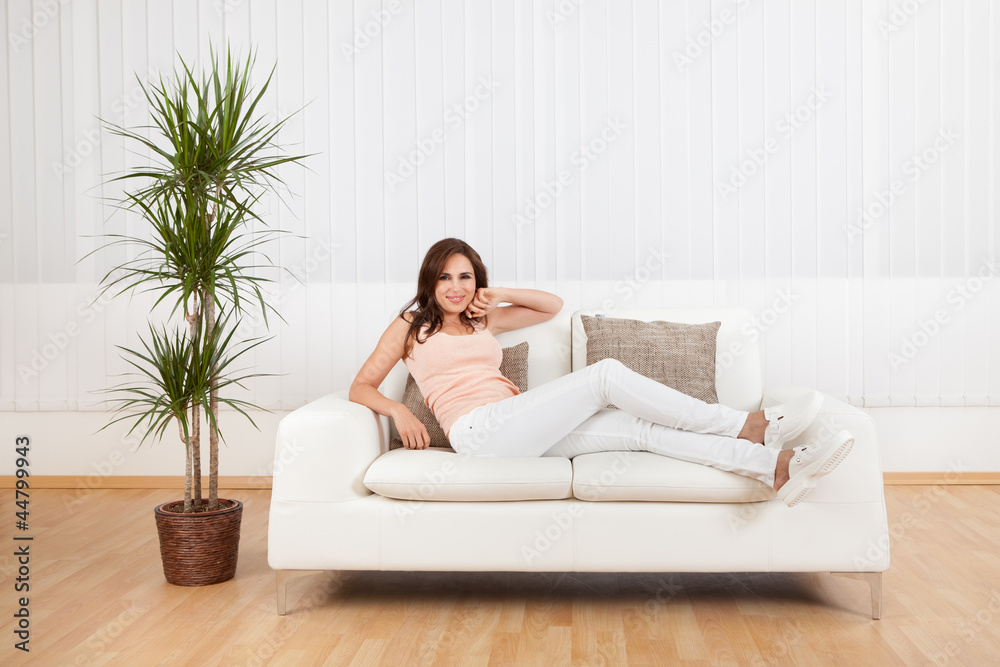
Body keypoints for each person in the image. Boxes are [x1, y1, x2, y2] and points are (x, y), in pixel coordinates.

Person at [350, 238, 854, 507]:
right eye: (445, 277)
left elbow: (550, 305)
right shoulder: (410, 326)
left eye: (466, 277)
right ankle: (744, 424)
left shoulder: (484, 321)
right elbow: (361, 386)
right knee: (605, 375)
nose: (456, 287)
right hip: (477, 432)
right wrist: (398, 410)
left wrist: (498, 294)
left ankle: (774, 467)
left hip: (517, 426)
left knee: (639, 430)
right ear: (430, 281)